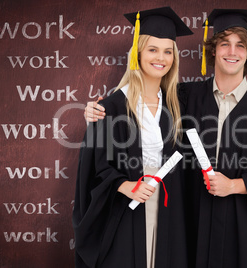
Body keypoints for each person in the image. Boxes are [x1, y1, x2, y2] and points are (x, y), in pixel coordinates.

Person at [85, 8, 247, 268]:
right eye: (224, 44)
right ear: (212, 50)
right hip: (189, 229)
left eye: (240, 45)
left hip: (243, 233)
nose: (232, 52)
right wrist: (100, 109)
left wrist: (234, 185)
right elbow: (142, 97)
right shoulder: (183, 98)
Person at [73, 7, 193, 268]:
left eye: (167, 51)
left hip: (168, 208)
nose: (161, 58)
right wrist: (123, 185)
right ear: (137, 53)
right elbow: (94, 166)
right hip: (127, 209)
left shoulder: (177, 104)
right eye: (152, 49)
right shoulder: (111, 106)